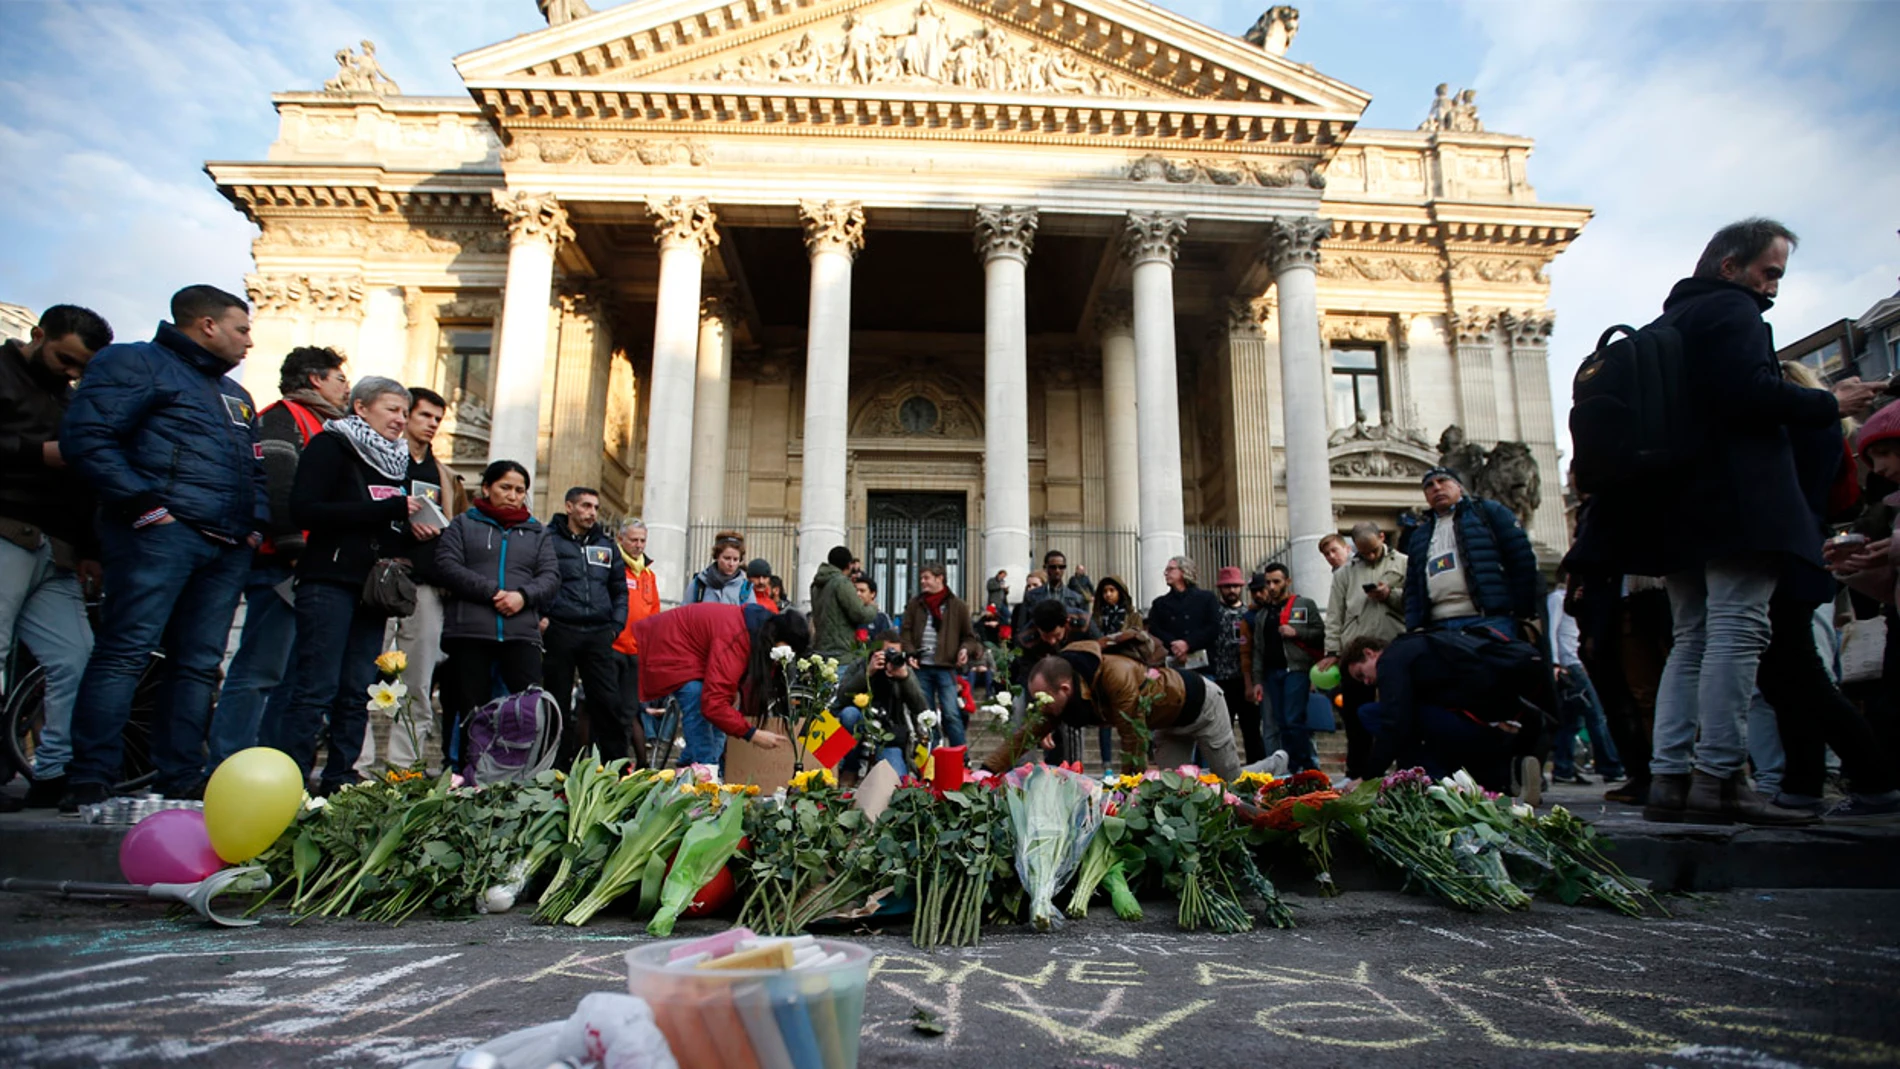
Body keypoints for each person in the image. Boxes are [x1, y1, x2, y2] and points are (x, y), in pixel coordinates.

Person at [1573, 219, 1862, 825]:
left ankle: (1672, 779)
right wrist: (1832, 401)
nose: (1774, 287)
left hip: (1672, 512)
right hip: (1737, 506)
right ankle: (1721, 779)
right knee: (1737, 631)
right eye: (1770, 271)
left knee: (1691, 640)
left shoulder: (1667, 322)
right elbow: (1749, 392)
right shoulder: (1733, 314)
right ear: (1730, 266)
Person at [58, 285, 266, 809]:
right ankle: (92, 775)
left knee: (197, 664)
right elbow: (87, 438)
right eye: (242, 329)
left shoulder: (236, 397)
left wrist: (253, 527)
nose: (249, 342)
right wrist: (147, 508)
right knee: (126, 651)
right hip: (160, 535)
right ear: (207, 325)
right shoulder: (135, 363)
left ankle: (180, 774)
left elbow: (255, 470)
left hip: (225, 545)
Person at [264, 378, 433, 792]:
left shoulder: (397, 462)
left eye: (403, 411)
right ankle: (293, 780)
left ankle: (340, 778)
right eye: (392, 409)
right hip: (329, 579)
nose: (401, 419)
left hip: (371, 590)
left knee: (357, 688)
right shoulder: (331, 445)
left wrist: (413, 528)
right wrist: (388, 508)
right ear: (361, 407)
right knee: (315, 686)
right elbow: (306, 509)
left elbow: (383, 522)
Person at [208, 345, 349, 772]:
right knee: (260, 669)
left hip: (313, 568)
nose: (346, 387)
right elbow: (278, 483)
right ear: (315, 379)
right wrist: (292, 547)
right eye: (340, 378)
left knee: (292, 676)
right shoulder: (284, 417)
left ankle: (271, 766)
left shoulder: (327, 426)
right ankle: (228, 763)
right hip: (286, 565)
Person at [0, 304, 112, 808]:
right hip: (7, 531)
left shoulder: (69, 401)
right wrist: (35, 452)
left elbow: (80, 484)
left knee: (75, 657)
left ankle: (54, 771)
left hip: (57, 549)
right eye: (67, 360)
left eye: (82, 368)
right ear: (39, 334)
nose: (73, 374)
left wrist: (88, 550)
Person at [433, 460, 561, 768]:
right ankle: (465, 774)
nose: (513, 495)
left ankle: (525, 775)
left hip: (520, 632)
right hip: (471, 632)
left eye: (520, 490)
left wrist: (523, 597)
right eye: (505, 487)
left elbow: (551, 576)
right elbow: (447, 565)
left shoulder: (537, 533)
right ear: (487, 488)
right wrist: (492, 592)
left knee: (529, 710)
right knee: (469, 710)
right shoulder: (463, 525)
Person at [985, 639, 1242, 781]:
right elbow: (1026, 733)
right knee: (1175, 788)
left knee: (1230, 780)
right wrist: (986, 769)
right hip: (1167, 723)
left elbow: (1133, 736)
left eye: (1044, 699)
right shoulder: (1063, 695)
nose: (1042, 706)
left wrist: (1127, 793)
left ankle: (1271, 765)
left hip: (1203, 705)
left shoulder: (1114, 674)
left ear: (1064, 688)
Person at [375, 386, 467, 769]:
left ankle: (404, 767)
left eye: (437, 419)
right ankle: (361, 764)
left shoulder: (444, 475)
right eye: (424, 415)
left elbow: (457, 528)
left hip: (426, 588)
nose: (431, 425)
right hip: (378, 580)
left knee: (418, 680)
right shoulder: (377, 462)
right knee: (370, 677)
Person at [1343, 631, 1548, 798]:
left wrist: (1368, 777)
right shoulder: (1420, 644)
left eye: (1361, 674)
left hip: (1471, 722)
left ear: (1370, 653)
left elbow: (1394, 721)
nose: (1367, 683)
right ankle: (1507, 771)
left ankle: (1432, 781)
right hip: (1486, 717)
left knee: (1370, 713)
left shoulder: (1390, 661)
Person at [630, 602, 802, 767]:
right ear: (778, 640)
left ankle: (694, 766)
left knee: (722, 710)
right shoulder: (737, 636)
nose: (785, 658)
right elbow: (713, 705)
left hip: (685, 651)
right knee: (699, 702)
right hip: (665, 649)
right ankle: (706, 775)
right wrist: (753, 734)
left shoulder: (755, 629)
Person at [544, 486, 629, 764]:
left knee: (607, 701)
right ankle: (556, 765)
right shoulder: (548, 540)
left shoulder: (606, 546)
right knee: (555, 700)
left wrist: (615, 625)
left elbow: (619, 590)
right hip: (560, 629)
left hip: (598, 633)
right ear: (569, 507)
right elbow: (538, 580)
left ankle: (614, 765)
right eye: (585, 506)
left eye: (595, 507)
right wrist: (543, 618)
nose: (592, 512)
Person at [1404, 468, 1542, 638]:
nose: (1437, 488)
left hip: (1489, 620)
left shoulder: (1490, 513)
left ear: (1459, 487)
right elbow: (1412, 586)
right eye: (1429, 485)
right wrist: (1415, 625)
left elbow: (1522, 561)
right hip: (1438, 625)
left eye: (1443, 481)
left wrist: (1522, 611)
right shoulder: (1419, 535)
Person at [1319, 521, 1407, 780]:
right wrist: (1333, 651)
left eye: (1372, 550)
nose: (1368, 556)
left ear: (1383, 537)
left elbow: (1415, 601)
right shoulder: (1346, 573)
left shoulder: (1404, 563)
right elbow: (1335, 613)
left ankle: (1405, 772)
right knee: (1355, 720)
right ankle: (1356, 772)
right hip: (1356, 655)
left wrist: (1389, 595)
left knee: (1399, 715)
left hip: (1394, 649)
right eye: (1362, 551)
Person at [1547, 575, 1625, 786]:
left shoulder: (1574, 601)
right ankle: (1611, 765)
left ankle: (1563, 767)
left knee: (1572, 720)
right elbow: (1551, 631)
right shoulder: (1557, 599)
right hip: (1570, 665)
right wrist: (1555, 663)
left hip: (1575, 663)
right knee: (1596, 716)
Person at [900, 562, 983, 746]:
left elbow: (970, 637)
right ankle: (932, 754)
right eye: (921, 578)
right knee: (926, 715)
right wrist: (910, 653)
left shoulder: (958, 606)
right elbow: (905, 633)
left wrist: (964, 650)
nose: (922, 582)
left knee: (951, 713)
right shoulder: (915, 604)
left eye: (926, 578)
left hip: (946, 668)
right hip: (921, 667)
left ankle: (961, 757)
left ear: (940, 578)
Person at [1253, 563, 1324, 772]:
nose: (1272, 587)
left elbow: (1320, 633)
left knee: (1294, 720)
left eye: (1276, 581)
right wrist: (1257, 680)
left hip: (1297, 669)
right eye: (1268, 583)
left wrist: (1297, 633)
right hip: (1271, 674)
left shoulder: (1304, 604)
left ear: (1287, 581)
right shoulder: (1262, 615)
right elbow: (1258, 649)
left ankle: (1307, 766)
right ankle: (1292, 768)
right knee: (1281, 723)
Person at [832, 629, 929, 777]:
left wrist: (905, 678)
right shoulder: (861, 665)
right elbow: (842, 697)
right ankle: (850, 768)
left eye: (896, 653)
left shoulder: (903, 670)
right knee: (849, 714)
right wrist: (867, 673)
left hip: (889, 735)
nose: (892, 657)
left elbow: (922, 708)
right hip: (861, 726)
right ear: (876, 652)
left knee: (897, 780)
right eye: (888, 652)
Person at [611, 520, 662, 765]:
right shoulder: (613, 567)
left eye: (642, 540)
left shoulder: (648, 574)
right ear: (621, 540)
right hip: (612, 647)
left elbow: (654, 612)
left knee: (631, 710)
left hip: (636, 652)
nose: (639, 545)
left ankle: (637, 765)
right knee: (607, 709)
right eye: (634, 540)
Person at [1210, 566, 1261, 762]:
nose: (1231, 590)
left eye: (1235, 586)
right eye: (1227, 586)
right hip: (1221, 679)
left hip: (1245, 678)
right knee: (1223, 729)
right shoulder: (1214, 613)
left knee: (1252, 730)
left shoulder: (1249, 613)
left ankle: (1257, 769)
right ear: (1220, 588)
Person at [1146, 555, 1220, 673]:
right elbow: (1155, 629)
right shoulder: (1159, 603)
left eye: (1170, 569)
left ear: (1184, 571)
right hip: (1172, 665)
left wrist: (1188, 644)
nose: (1166, 573)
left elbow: (1213, 627)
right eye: (1166, 570)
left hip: (1204, 666)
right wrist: (1176, 646)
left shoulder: (1207, 598)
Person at [810, 544, 874, 658]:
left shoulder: (817, 584)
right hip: (841, 653)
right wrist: (872, 608)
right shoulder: (842, 583)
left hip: (821, 650)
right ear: (849, 565)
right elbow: (859, 614)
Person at [684, 530, 756, 605]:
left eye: (735, 559)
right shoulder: (699, 583)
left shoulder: (746, 588)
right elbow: (685, 612)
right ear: (717, 556)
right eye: (727, 558)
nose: (731, 564)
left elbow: (752, 615)